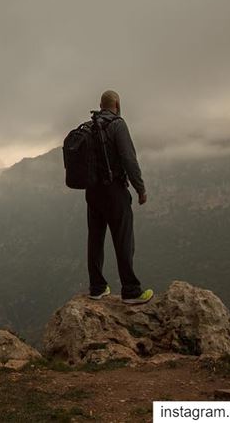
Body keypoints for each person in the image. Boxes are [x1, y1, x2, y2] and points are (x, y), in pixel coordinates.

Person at [85, 90, 153, 304]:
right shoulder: (117, 125)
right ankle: (131, 291)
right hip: (114, 191)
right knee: (123, 239)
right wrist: (140, 188)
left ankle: (97, 287)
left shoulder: (89, 127)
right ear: (117, 104)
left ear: (100, 104)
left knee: (95, 238)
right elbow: (128, 159)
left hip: (92, 191)